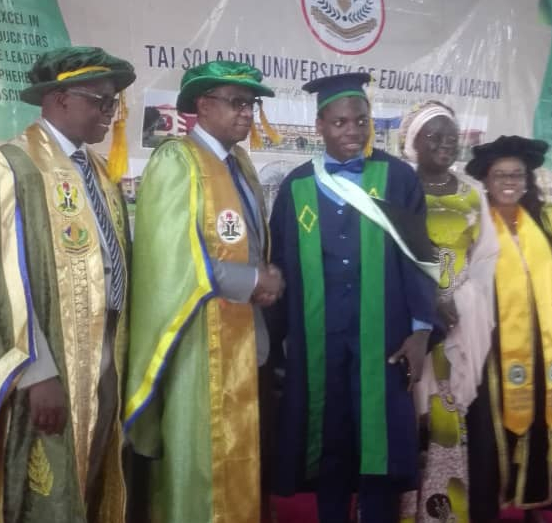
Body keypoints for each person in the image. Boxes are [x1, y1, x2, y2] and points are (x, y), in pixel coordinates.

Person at [267, 73, 440, 523]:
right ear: (320, 125)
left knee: (378, 443)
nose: (352, 131)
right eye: (340, 122)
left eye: (361, 121)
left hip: (383, 338)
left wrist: (422, 329)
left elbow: (422, 258)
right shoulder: (296, 187)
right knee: (329, 443)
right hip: (318, 341)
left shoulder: (397, 179)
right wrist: (271, 343)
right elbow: (279, 266)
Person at [124, 60, 285, 523]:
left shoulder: (241, 164)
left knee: (244, 460)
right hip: (198, 343)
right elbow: (172, 259)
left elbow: (250, 243)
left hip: (248, 337)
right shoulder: (177, 160)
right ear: (203, 105)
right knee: (201, 462)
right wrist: (252, 281)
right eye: (236, 103)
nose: (246, 113)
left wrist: (265, 278)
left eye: (251, 104)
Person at [0, 46, 135, 523]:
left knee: (91, 473)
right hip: (49, 362)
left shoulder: (98, 171)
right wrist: (37, 372)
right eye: (100, 101)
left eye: (113, 102)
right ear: (59, 98)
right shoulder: (13, 167)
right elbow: (2, 281)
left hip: (106, 351)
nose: (110, 113)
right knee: (47, 488)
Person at [465, 135, 552, 523]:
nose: (509, 182)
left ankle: (533, 501)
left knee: (544, 420)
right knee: (490, 427)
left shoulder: (546, 221)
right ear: (486, 180)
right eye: (500, 175)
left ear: (528, 180)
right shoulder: (475, 222)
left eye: (517, 174)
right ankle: (489, 505)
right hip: (493, 345)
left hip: (544, 342)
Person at [398, 102, 499, 523]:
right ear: (414, 143)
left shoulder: (471, 195)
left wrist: (461, 300)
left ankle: (442, 513)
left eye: (451, 138)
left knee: (446, 417)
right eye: (434, 136)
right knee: (406, 417)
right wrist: (425, 302)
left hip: (456, 326)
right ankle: (402, 512)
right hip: (408, 324)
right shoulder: (401, 191)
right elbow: (391, 256)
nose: (444, 144)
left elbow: (485, 258)